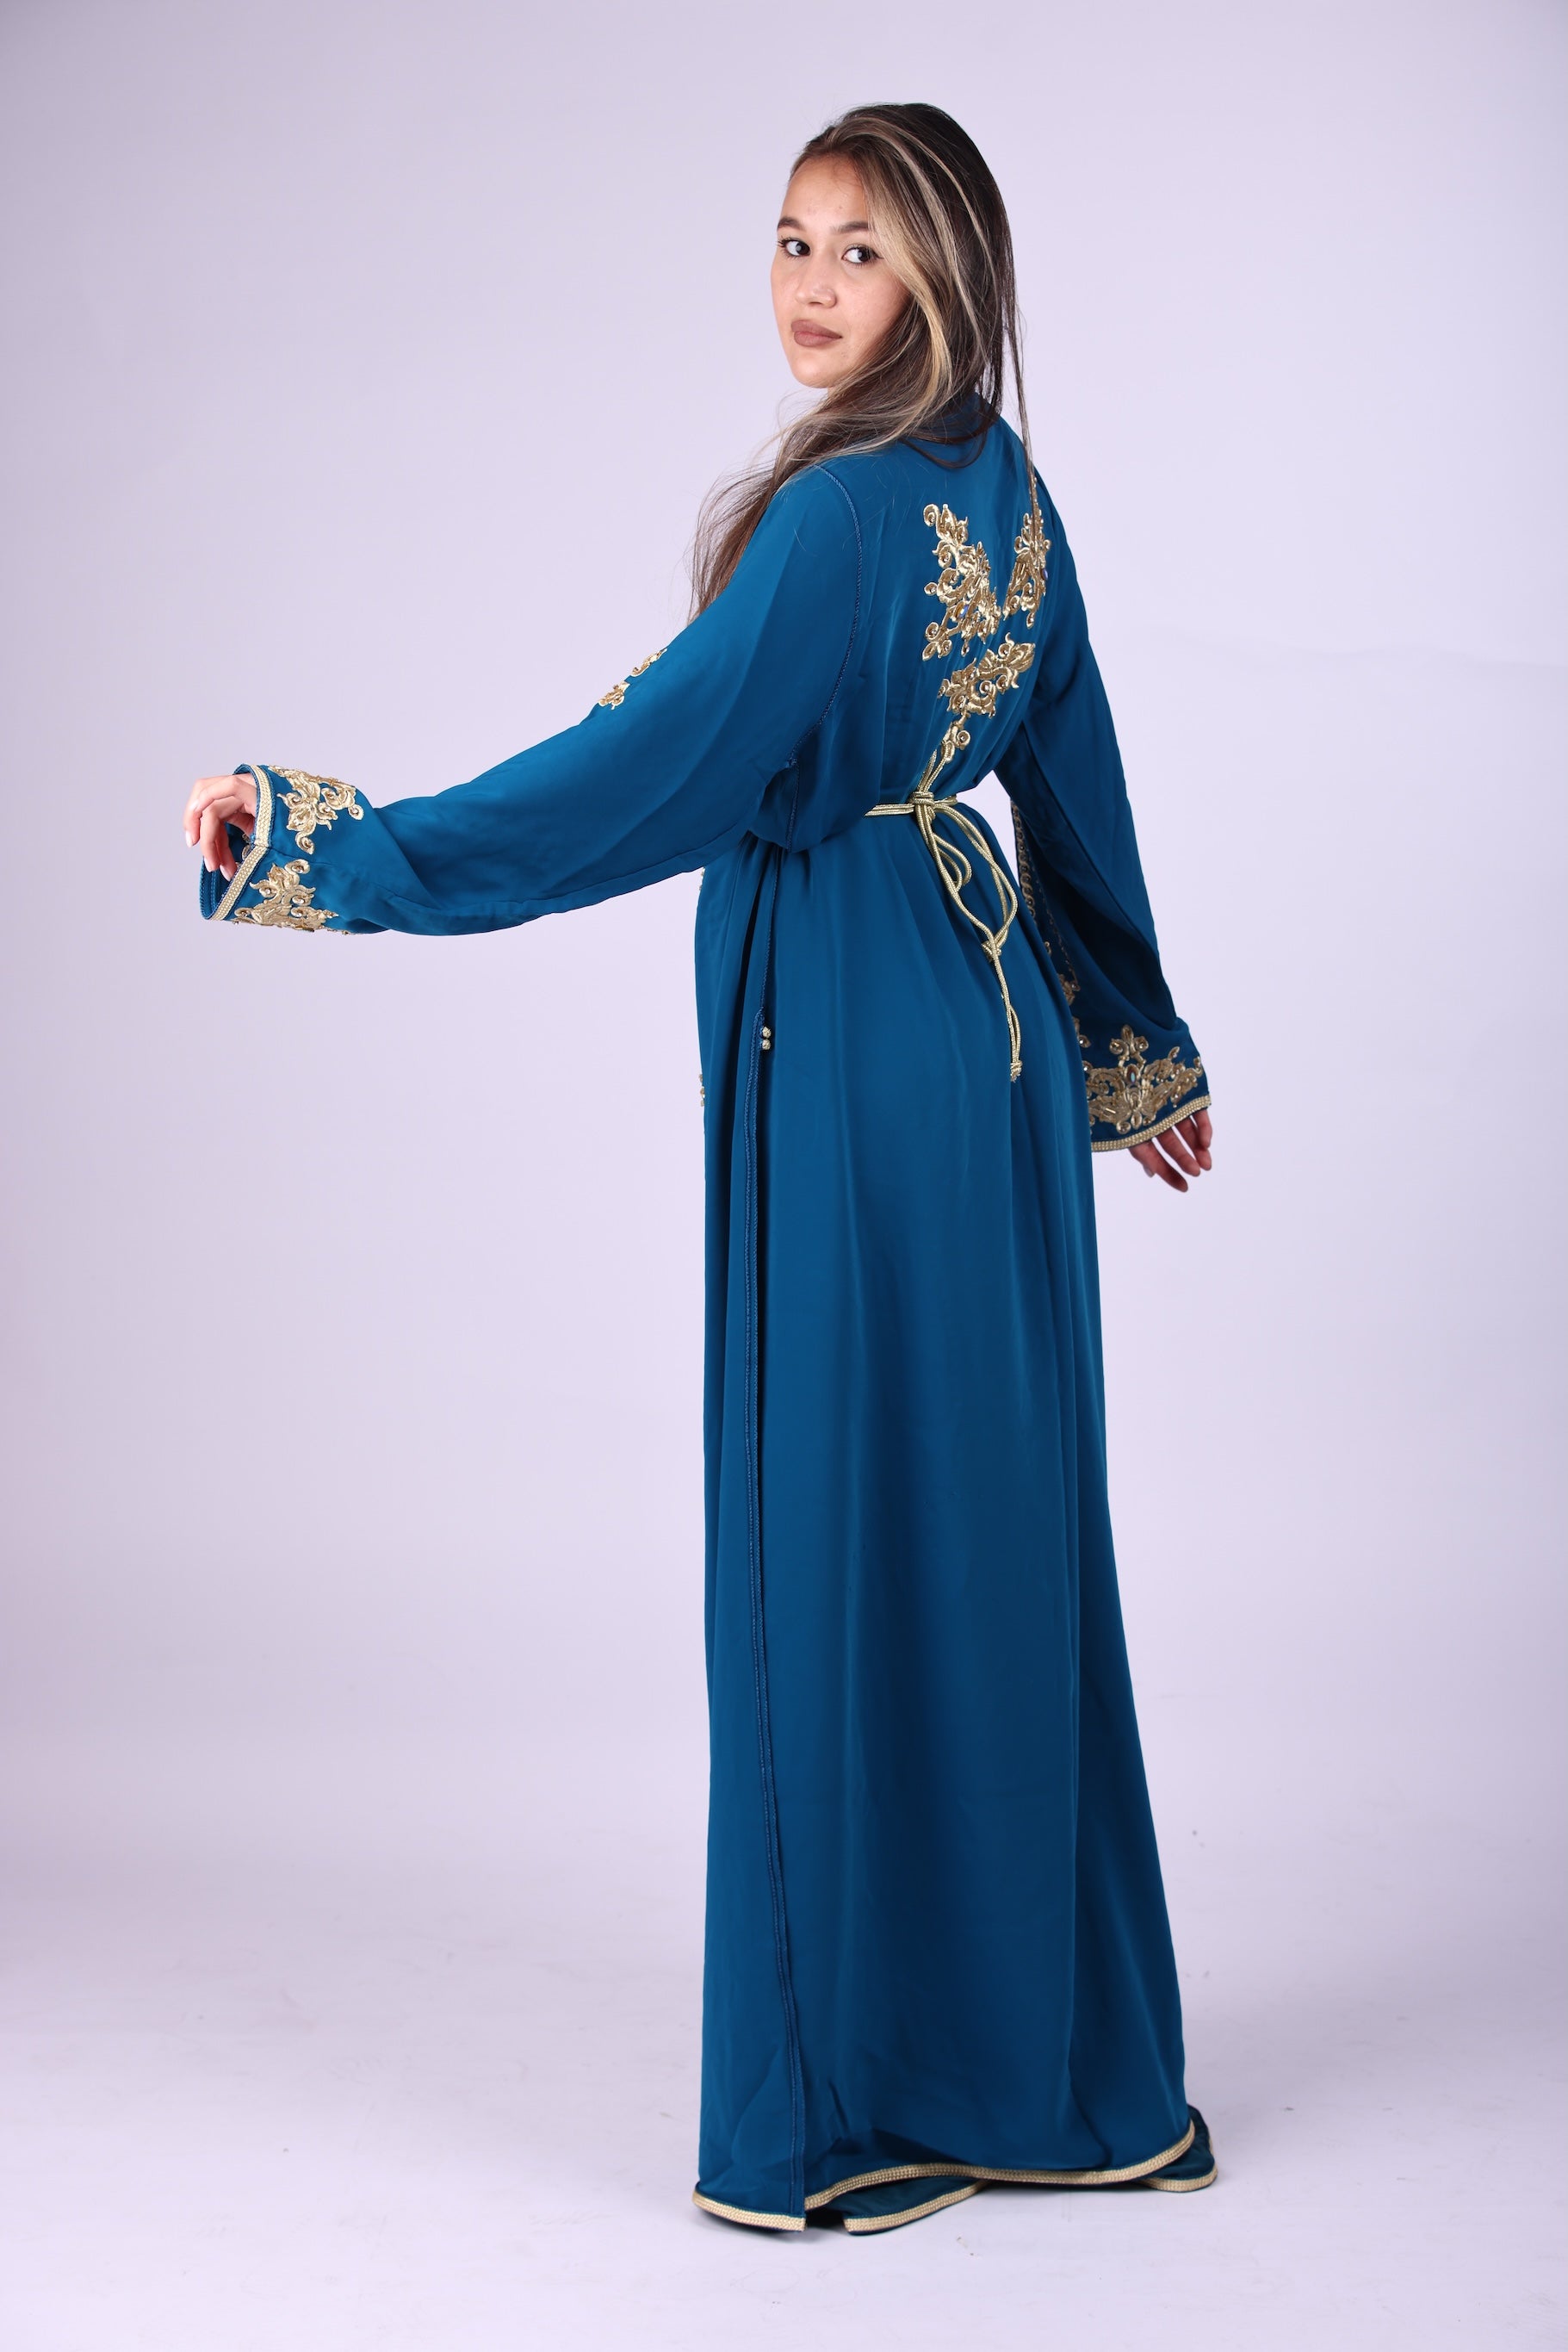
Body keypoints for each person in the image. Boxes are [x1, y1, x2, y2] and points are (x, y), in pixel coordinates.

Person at [183, 102, 1217, 2235]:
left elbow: (636, 770)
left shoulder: (832, 524)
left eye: (859, 248)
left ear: (942, 275)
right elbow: (1075, 783)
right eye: (788, 238)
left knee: (826, 1525)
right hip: (990, 1050)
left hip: (847, 1030)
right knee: (981, 1527)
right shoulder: (1004, 493)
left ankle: (848, 2108)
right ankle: (1040, 2070)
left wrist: (337, 848)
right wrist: (1125, 1046)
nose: (809, 285)